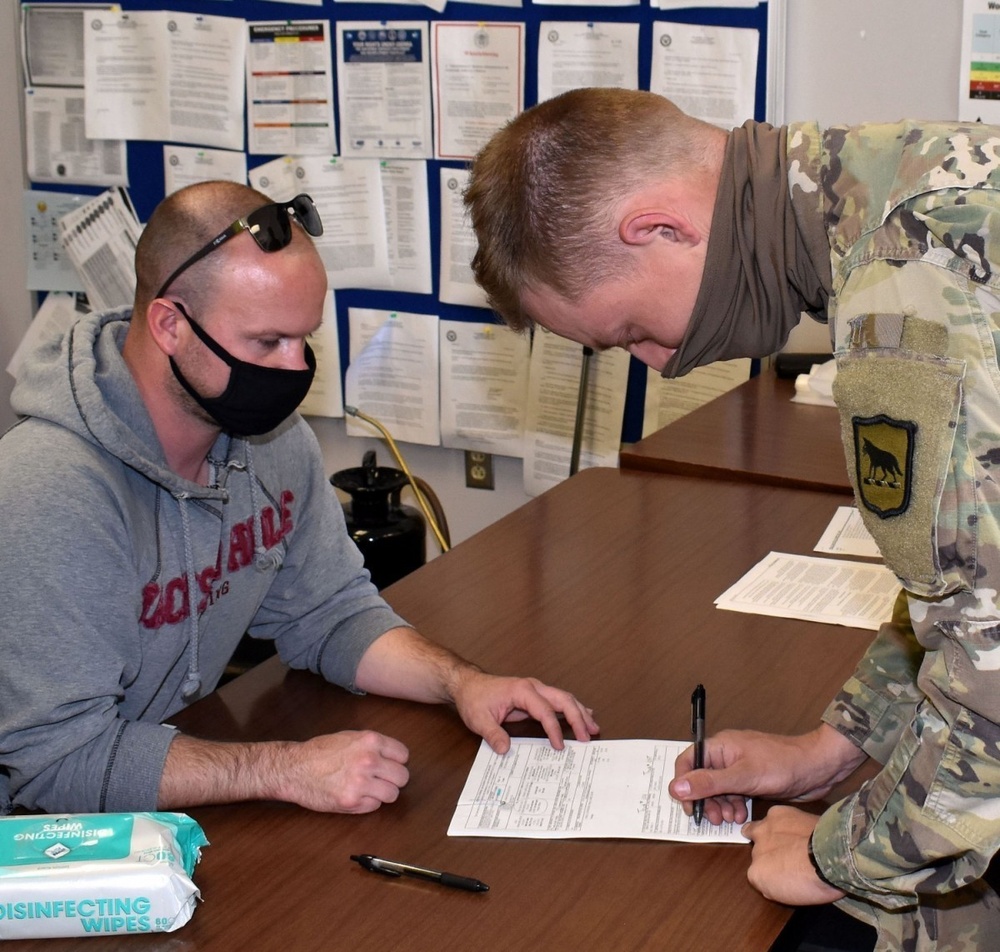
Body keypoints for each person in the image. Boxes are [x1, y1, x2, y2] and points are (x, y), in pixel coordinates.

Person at [465, 87, 1000, 950]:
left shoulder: (911, 281)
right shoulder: (908, 179)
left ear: (660, 228)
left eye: (633, 331)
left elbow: (994, 663)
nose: (662, 366)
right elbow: (966, 590)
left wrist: (837, 859)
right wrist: (831, 751)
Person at [0, 180, 599, 819]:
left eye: (303, 338)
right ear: (170, 325)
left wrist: (462, 683)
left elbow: (330, 613)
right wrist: (285, 768)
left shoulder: (271, 442)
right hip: (43, 845)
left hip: (154, 798)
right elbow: (57, 762)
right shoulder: (50, 490)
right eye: (265, 342)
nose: (293, 370)